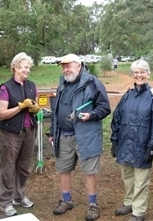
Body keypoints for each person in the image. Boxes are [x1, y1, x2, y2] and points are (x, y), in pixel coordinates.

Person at [49, 53, 111, 221]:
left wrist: (90, 115)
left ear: (78, 65)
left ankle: (93, 204)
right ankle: (66, 200)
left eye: (68, 65)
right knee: (64, 169)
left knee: (89, 171)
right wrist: (53, 132)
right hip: (64, 135)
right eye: (63, 66)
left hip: (86, 135)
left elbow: (105, 107)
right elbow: (56, 111)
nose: (65, 69)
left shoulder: (92, 82)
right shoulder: (62, 83)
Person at [110, 59, 153, 221]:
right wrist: (114, 141)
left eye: (142, 72)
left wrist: (152, 146)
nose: (139, 75)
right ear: (132, 74)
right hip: (125, 143)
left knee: (141, 181)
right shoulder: (127, 96)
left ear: (148, 74)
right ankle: (129, 203)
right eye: (136, 72)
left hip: (143, 146)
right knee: (128, 177)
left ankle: (138, 212)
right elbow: (117, 118)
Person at [0, 52, 40, 216]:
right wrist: (20, 107)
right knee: (8, 168)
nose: (27, 71)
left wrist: (35, 109)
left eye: (28, 68)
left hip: (29, 131)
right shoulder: (5, 87)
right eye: (23, 67)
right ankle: (5, 202)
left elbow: (34, 107)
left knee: (23, 167)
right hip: (10, 133)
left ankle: (19, 196)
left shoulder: (32, 85)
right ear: (15, 67)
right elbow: (2, 114)